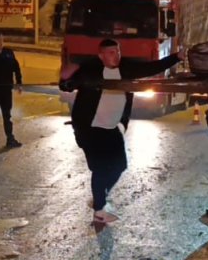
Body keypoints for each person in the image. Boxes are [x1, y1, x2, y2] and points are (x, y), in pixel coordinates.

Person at [59, 39, 181, 224]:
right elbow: (68, 84)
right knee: (100, 168)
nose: (115, 56)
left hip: (111, 128)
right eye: (110, 53)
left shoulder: (126, 67)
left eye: (117, 52)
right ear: (101, 55)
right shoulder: (91, 69)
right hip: (90, 128)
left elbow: (151, 68)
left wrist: (176, 58)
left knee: (119, 166)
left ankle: (100, 195)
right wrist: (65, 79)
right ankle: (99, 209)